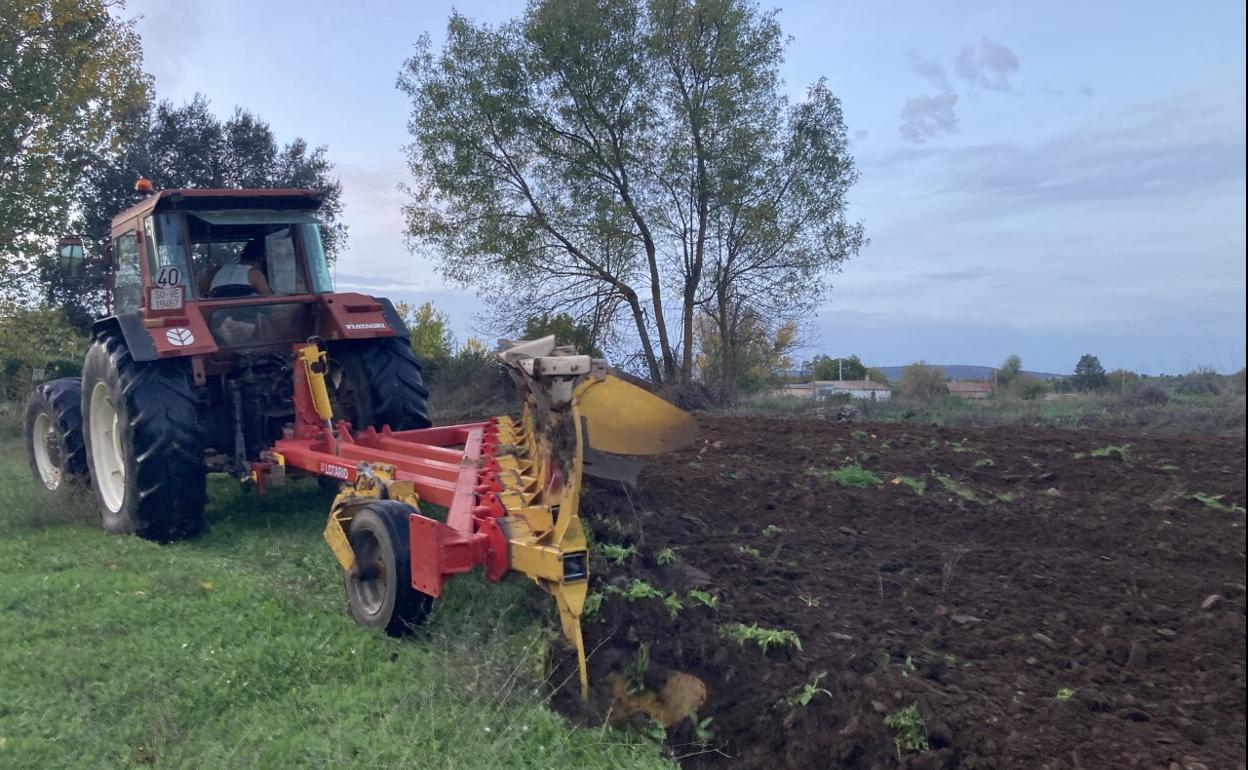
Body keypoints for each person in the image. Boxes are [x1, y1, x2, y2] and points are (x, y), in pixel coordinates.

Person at [208, 238, 273, 297]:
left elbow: (198, 292)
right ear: (262, 259)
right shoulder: (254, 273)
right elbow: (272, 301)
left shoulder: (216, 272)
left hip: (217, 310)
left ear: (242, 256)